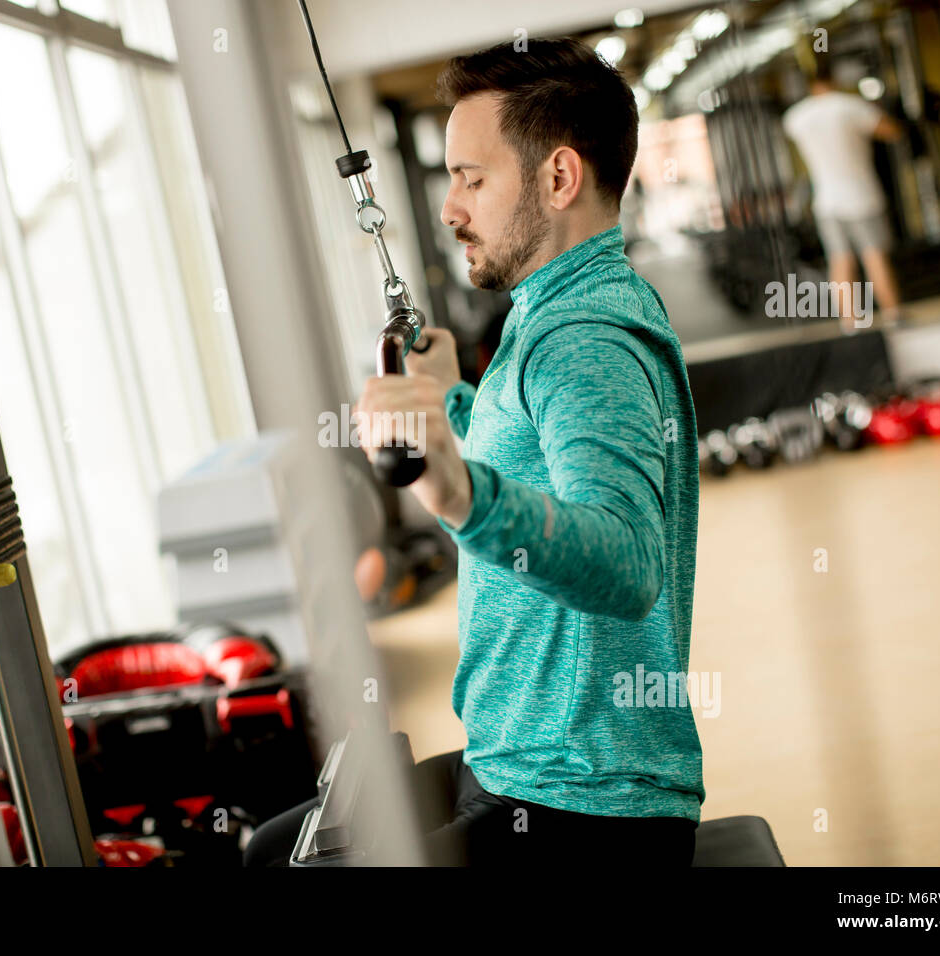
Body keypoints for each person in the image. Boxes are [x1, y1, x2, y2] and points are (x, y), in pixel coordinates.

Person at [244, 37, 704, 867]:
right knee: (273, 847)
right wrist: (454, 402)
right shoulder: (549, 305)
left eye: (472, 179)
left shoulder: (585, 337)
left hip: (584, 803)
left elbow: (631, 563)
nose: (451, 209)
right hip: (519, 761)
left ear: (559, 178)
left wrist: (455, 493)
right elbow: (530, 454)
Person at [782, 57, 905, 330]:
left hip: (826, 201)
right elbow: (892, 132)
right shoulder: (851, 107)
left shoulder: (796, 117)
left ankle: (850, 323)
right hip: (861, 196)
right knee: (874, 255)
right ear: (834, 79)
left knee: (840, 259)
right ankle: (894, 314)